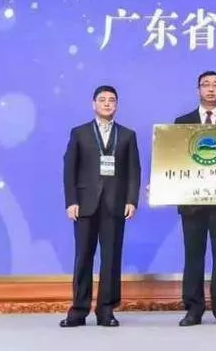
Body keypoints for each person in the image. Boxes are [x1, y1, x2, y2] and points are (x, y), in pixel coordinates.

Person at [60, 85, 141, 328]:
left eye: (112, 100)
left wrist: (132, 200)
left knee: (111, 259)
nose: (107, 103)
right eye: (102, 100)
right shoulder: (80, 133)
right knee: (83, 257)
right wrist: (71, 201)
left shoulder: (127, 135)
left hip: (115, 204)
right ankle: (78, 310)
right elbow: (69, 169)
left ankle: (106, 310)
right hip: (85, 204)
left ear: (117, 105)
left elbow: (134, 171)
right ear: (93, 104)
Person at [174, 70, 216, 327]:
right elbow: (174, 159)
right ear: (198, 90)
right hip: (191, 202)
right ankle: (193, 309)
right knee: (193, 256)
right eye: (206, 85)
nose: (211, 89)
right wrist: (162, 184)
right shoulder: (182, 122)